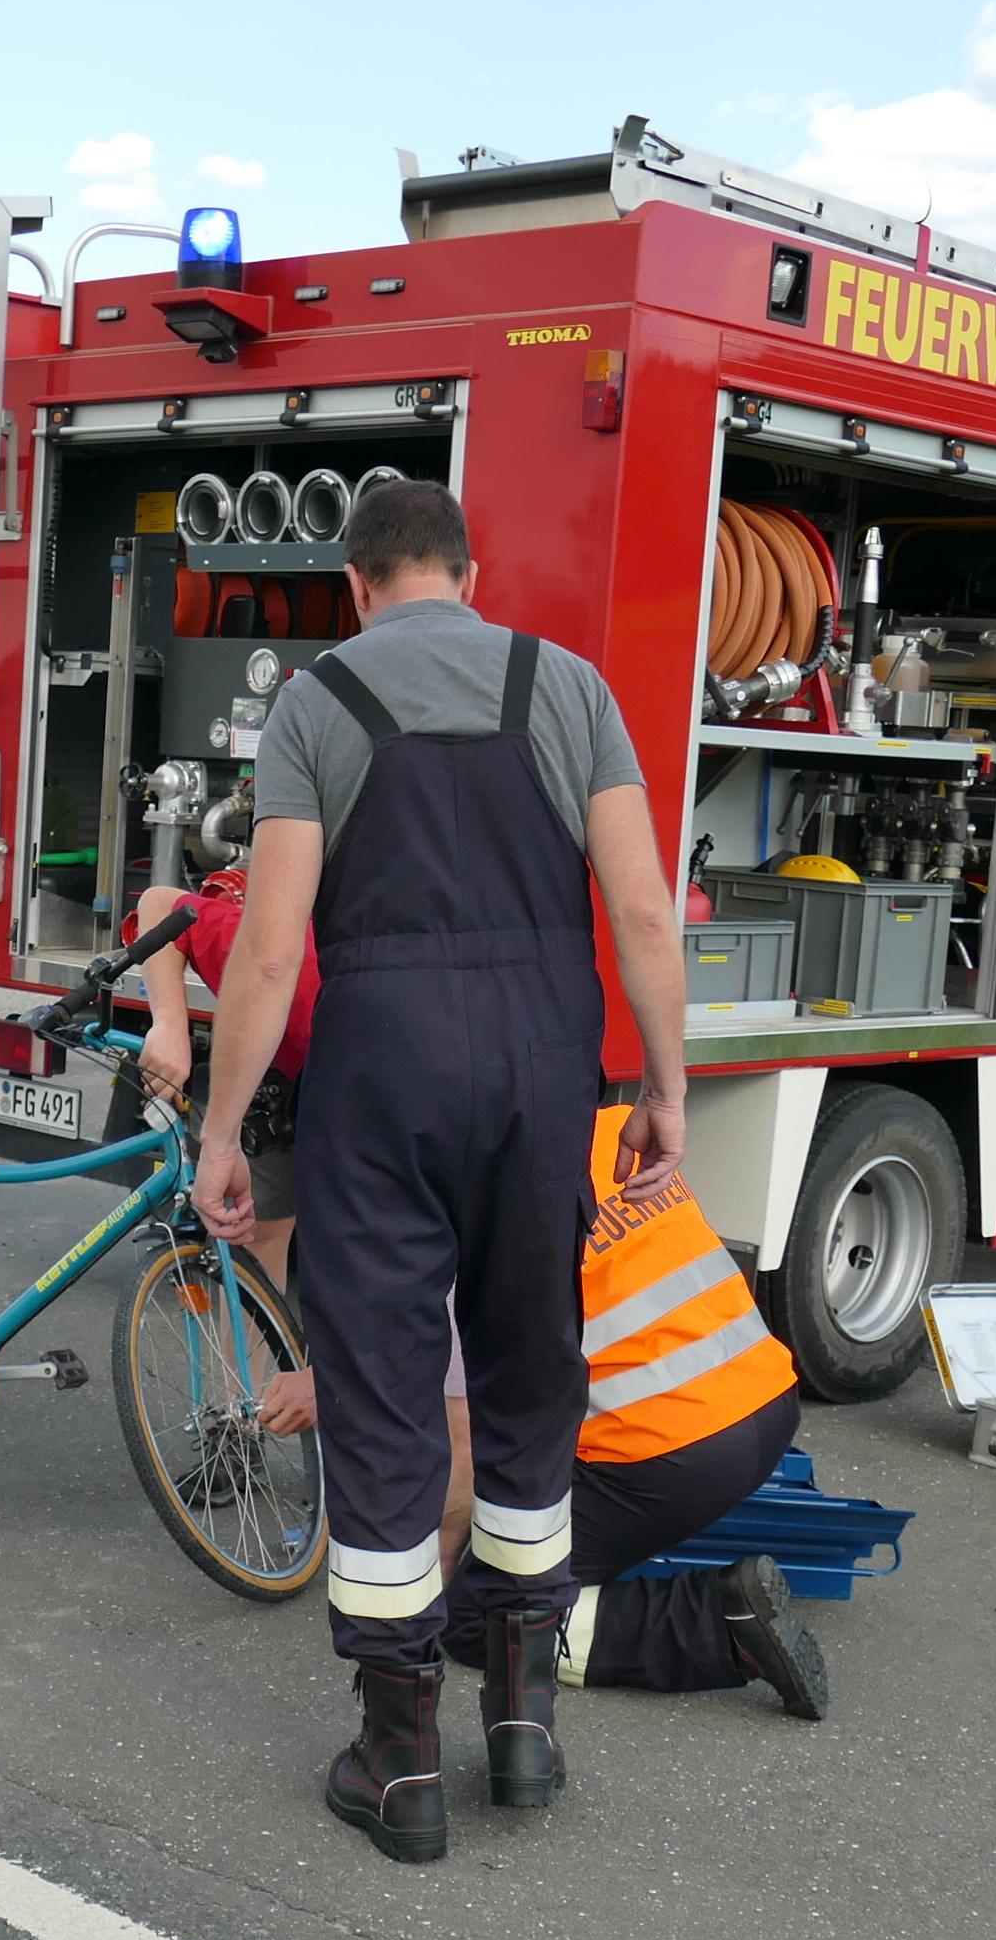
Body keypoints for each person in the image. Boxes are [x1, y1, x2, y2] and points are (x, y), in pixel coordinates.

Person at [192, 477, 690, 1865]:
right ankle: (523, 1734)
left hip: (384, 1076)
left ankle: (401, 1763)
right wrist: (663, 1086)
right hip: (542, 1065)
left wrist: (225, 1128)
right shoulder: (569, 686)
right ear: (471, 573)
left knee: (388, 1395)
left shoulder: (315, 704)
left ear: (357, 584)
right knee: (532, 1376)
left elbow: (274, 945)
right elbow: (642, 909)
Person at [439, 1104, 828, 1718]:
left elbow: (461, 1459)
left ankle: (720, 1622)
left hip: (667, 1459)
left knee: (473, 1616)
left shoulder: (480, 1207)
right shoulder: (617, 1131)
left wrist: (434, 1580)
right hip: (767, 1403)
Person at [123, 867, 314, 1286]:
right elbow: (160, 906)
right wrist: (170, 1024)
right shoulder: (299, 968)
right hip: (299, 1050)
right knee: (260, 1237)